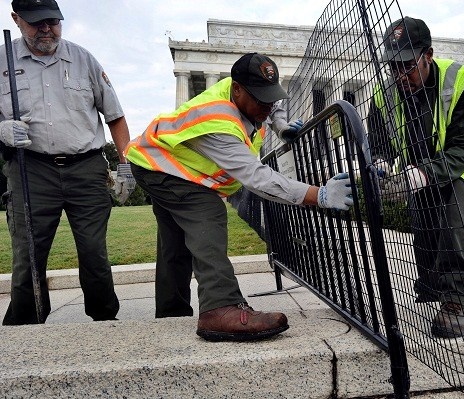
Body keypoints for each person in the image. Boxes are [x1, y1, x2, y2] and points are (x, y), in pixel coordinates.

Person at [125, 52, 353, 342]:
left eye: (270, 95)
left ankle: (170, 315)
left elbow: (276, 102)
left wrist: (280, 126)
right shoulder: (217, 123)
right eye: (260, 99)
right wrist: (317, 195)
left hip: (156, 161)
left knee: (176, 242)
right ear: (237, 90)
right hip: (163, 168)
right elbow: (258, 178)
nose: (267, 105)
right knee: (207, 214)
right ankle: (220, 307)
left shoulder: (249, 94)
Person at [0, 0, 135, 325]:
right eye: (36, 22)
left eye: (53, 21)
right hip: (30, 169)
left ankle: (105, 321)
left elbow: (115, 116)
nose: (47, 29)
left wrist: (127, 165)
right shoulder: (2, 62)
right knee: (28, 257)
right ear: (17, 19)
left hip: (85, 168)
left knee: (93, 254)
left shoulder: (83, 59)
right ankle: (27, 326)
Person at [367, 17, 464, 338]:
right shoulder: (383, 97)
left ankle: (457, 299)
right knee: (424, 225)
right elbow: (379, 147)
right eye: (393, 66)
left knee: (454, 212)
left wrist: (419, 175)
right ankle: (433, 287)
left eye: (407, 65)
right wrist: (381, 171)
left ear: (429, 55)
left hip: (463, 161)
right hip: (418, 166)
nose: (399, 74)